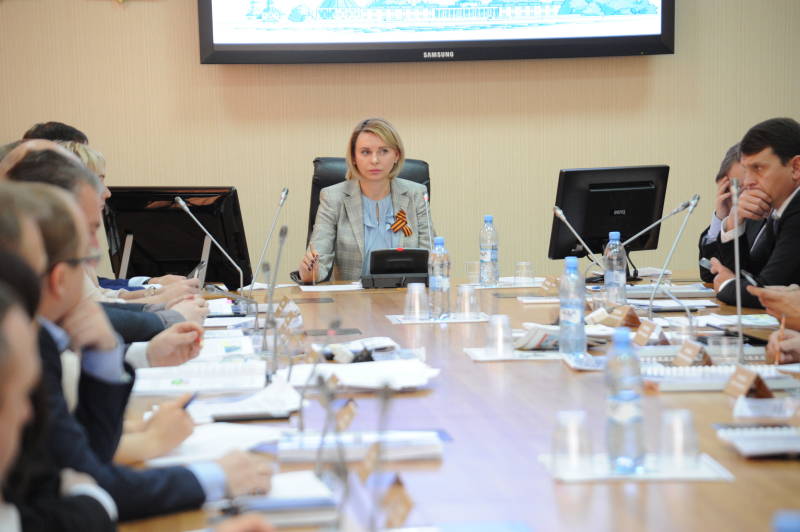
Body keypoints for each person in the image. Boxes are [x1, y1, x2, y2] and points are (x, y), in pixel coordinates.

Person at [26, 182, 273, 521]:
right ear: (58, 278)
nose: (94, 255)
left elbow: (85, 450)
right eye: (87, 243)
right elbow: (82, 478)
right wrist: (208, 475)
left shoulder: (43, 336)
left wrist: (113, 355)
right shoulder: (27, 347)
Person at [298, 118, 433, 282]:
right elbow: (319, 260)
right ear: (354, 157)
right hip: (352, 297)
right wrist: (310, 272)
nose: (375, 160)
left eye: (384, 151)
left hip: (405, 294)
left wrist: (437, 264)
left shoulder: (416, 194)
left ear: (396, 155)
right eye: (365, 152)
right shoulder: (333, 198)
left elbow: (431, 260)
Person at [709, 117, 800, 307]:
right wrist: (734, 221)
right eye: (746, 170)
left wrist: (726, 284)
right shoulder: (780, 211)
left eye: (758, 168)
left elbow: (768, 292)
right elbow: (752, 277)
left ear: (796, 168)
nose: (748, 182)